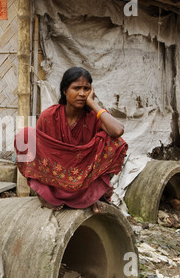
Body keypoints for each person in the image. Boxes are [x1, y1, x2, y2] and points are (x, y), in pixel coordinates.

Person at [14, 67, 128, 213]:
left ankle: (92, 197)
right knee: (26, 135)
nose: (82, 93)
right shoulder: (49, 116)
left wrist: (93, 104)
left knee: (114, 143)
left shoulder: (94, 117)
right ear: (64, 90)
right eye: (76, 88)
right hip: (55, 176)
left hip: (84, 178)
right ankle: (44, 194)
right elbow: (42, 152)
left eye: (86, 89)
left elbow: (118, 131)